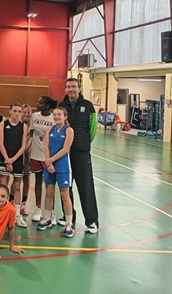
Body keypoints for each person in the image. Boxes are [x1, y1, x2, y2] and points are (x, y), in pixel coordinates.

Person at [57, 78, 99, 234]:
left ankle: (92, 221)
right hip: (64, 154)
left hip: (81, 154)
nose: (71, 89)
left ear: (79, 88)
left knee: (86, 188)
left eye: (74, 86)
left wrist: (84, 143)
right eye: (68, 87)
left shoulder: (88, 106)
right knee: (65, 187)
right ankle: (69, 217)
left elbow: (93, 129)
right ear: (65, 89)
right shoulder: (62, 106)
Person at [36, 107, 76, 238]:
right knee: (49, 192)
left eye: (59, 114)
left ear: (65, 117)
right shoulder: (49, 129)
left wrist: (50, 161)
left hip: (62, 165)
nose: (56, 117)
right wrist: (49, 163)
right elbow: (46, 146)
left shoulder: (69, 130)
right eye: (55, 114)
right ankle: (47, 218)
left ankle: (69, 223)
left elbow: (65, 149)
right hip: (50, 165)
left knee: (65, 195)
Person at [0, 103, 29, 228]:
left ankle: (17, 215)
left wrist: (13, 160)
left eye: (19, 111)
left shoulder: (24, 126)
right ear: (10, 111)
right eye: (14, 111)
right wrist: (7, 159)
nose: (17, 113)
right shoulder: (3, 124)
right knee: (3, 187)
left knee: (16, 186)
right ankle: (2, 214)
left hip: (17, 159)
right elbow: (1, 143)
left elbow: (23, 146)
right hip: (4, 158)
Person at [28, 96, 57, 222]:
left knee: (50, 185)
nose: (37, 104)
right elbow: (30, 134)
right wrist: (27, 149)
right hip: (35, 155)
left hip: (48, 157)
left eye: (40, 102)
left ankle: (51, 211)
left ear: (47, 106)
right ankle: (38, 208)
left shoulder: (53, 119)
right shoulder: (34, 116)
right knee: (38, 181)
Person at [19, 104, 33, 216]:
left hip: (29, 155)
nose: (26, 114)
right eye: (24, 112)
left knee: (27, 178)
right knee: (16, 179)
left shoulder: (33, 124)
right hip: (18, 154)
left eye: (28, 112)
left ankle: (24, 202)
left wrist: (30, 149)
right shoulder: (17, 123)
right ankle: (12, 200)